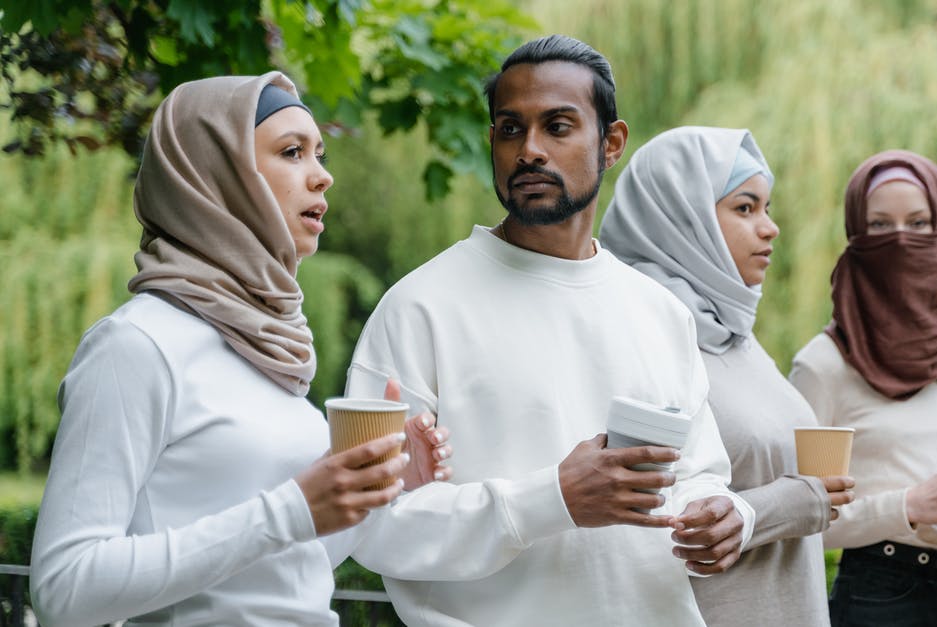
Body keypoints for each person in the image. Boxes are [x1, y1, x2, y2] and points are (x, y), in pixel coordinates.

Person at [344, 36, 754, 626]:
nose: (530, 150)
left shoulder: (660, 312)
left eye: (558, 127)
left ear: (611, 143)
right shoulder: (419, 307)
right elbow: (372, 525)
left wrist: (721, 515)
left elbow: (695, 474)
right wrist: (551, 500)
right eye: (510, 129)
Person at [30, 72, 449, 626]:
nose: (322, 176)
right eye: (292, 152)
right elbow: (65, 589)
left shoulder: (269, 346)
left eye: (319, 154)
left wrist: (378, 495)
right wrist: (291, 509)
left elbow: (281, 568)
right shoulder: (136, 345)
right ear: (216, 175)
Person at [599, 125, 856, 626]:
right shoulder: (642, 339)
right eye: (744, 208)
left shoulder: (735, 333)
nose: (770, 227)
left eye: (767, 207)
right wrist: (797, 500)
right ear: (680, 219)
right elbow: (637, 520)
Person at [788, 149, 937, 627]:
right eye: (880, 226)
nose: (901, 240)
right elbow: (800, 522)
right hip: (882, 597)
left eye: (919, 224)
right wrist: (909, 507)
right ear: (856, 236)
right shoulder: (823, 365)